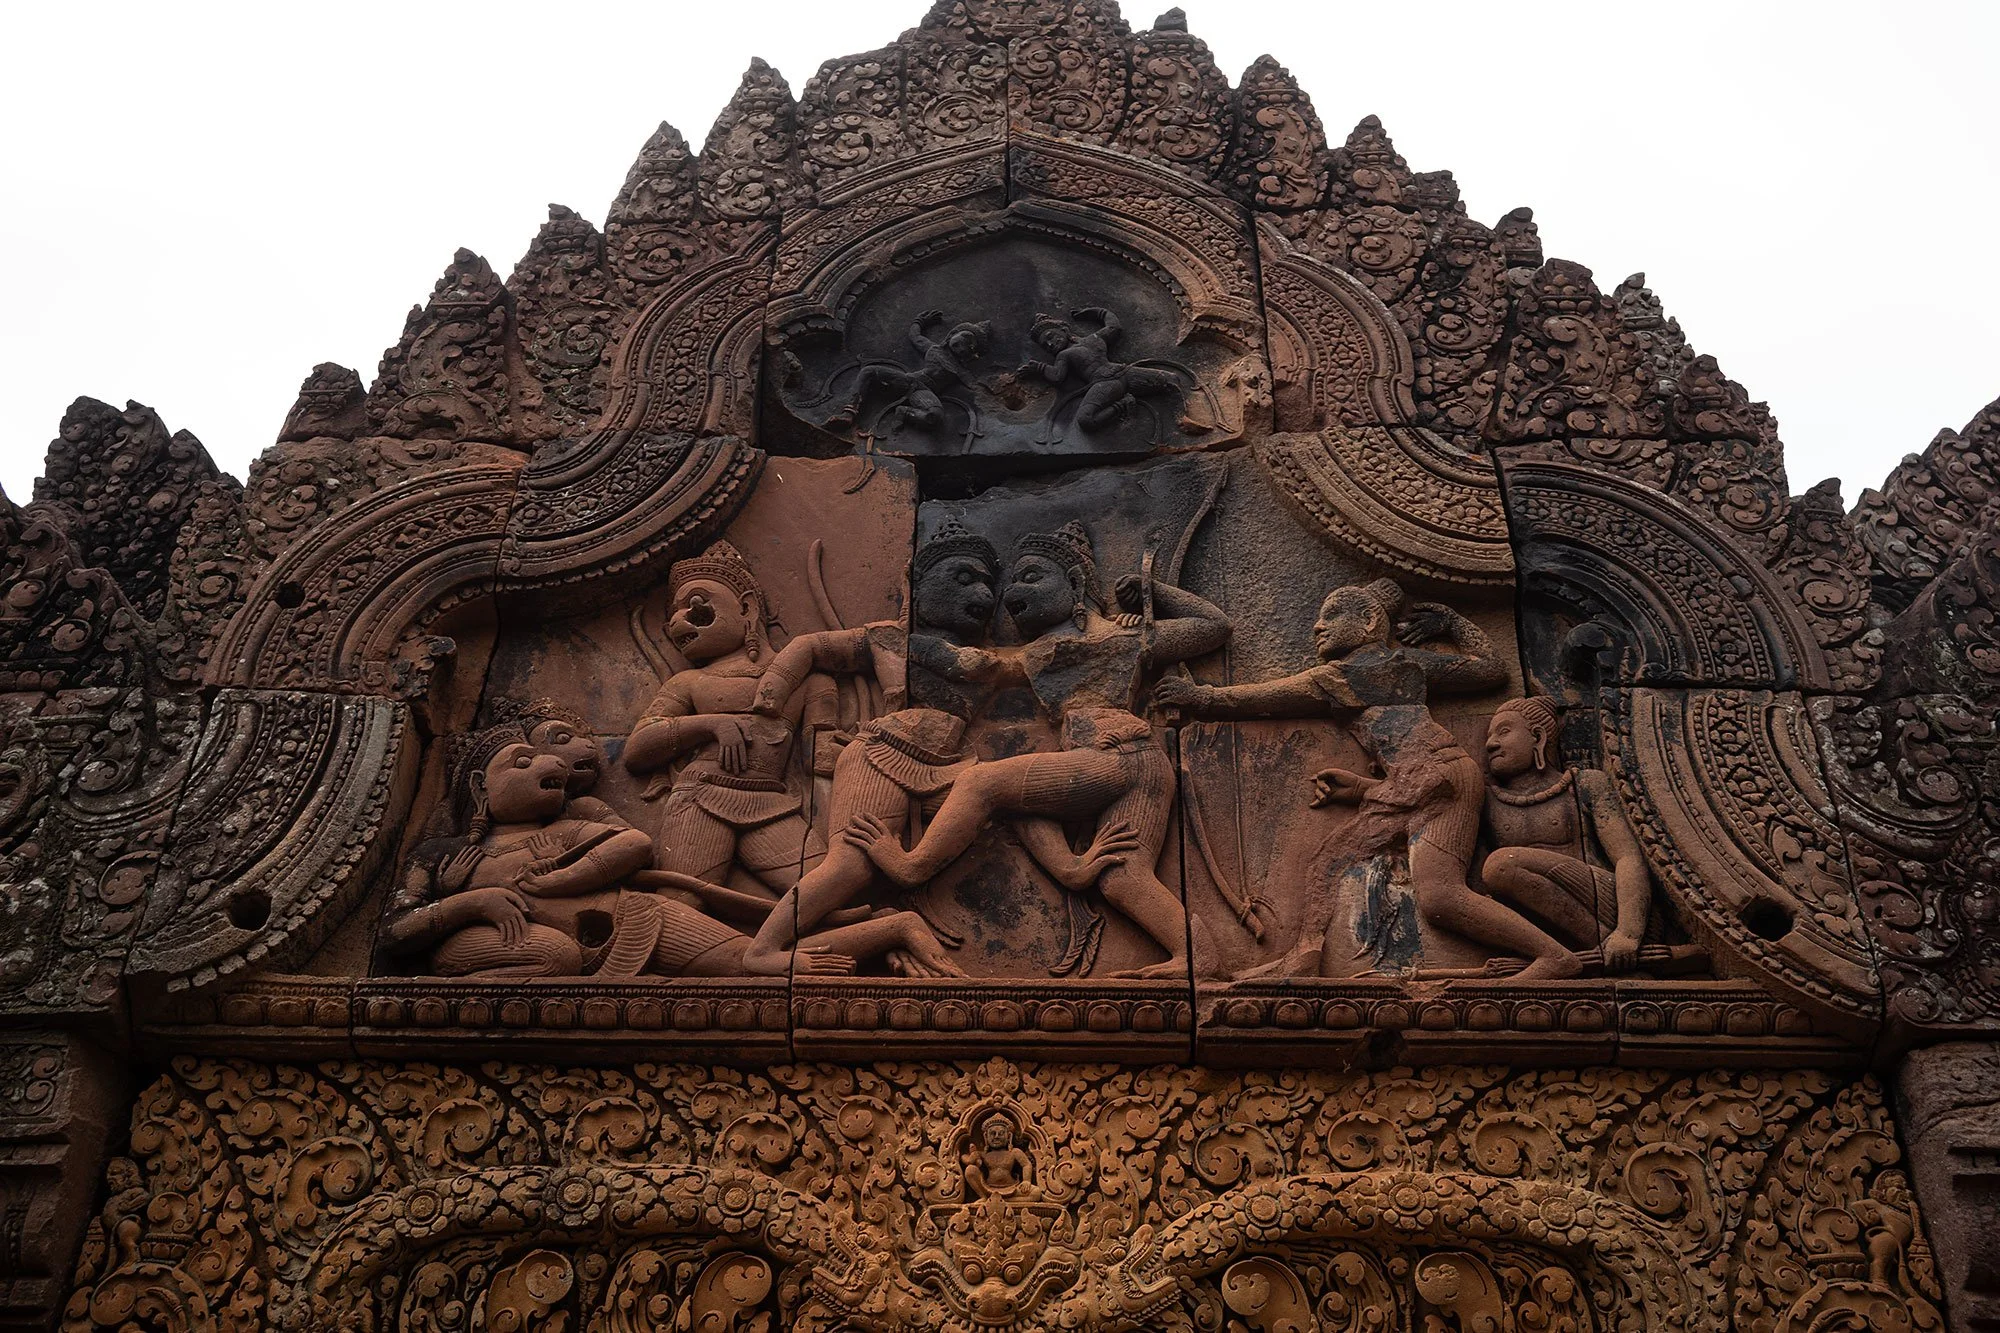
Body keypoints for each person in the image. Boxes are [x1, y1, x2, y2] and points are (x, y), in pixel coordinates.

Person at [844, 520, 1231, 979]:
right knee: (1123, 877)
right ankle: (1198, 958)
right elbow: (974, 666)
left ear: (1074, 584)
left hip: (1117, 759)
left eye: (1029, 577)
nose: (1009, 596)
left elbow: (1215, 627)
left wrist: (1155, 591)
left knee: (983, 781)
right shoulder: (1075, 646)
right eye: (1010, 584)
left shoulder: (1121, 639)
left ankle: (912, 867)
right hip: (1141, 766)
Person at [1153, 579, 1582, 981]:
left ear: (1371, 622)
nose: (1318, 626)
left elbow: (1270, 696)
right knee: (1388, 879)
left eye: (1332, 615)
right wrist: (1452, 624)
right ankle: (1305, 957)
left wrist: (1201, 698)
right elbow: (1489, 666)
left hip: (1433, 777)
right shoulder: (1409, 664)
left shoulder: (1344, 676)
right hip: (1432, 777)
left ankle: (1553, 955)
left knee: (1397, 883)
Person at [1479, 696, 1651, 971]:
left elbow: (1627, 858)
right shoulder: (1488, 801)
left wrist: (1628, 933)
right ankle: (1556, 953)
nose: (1490, 744)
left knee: (1502, 865)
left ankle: (1599, 942)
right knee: (1498, 870)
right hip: (1542, 924)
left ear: (1537, 737)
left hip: (1603, 903)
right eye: (1489, 736)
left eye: (1504, 731)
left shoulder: (1584, 784)